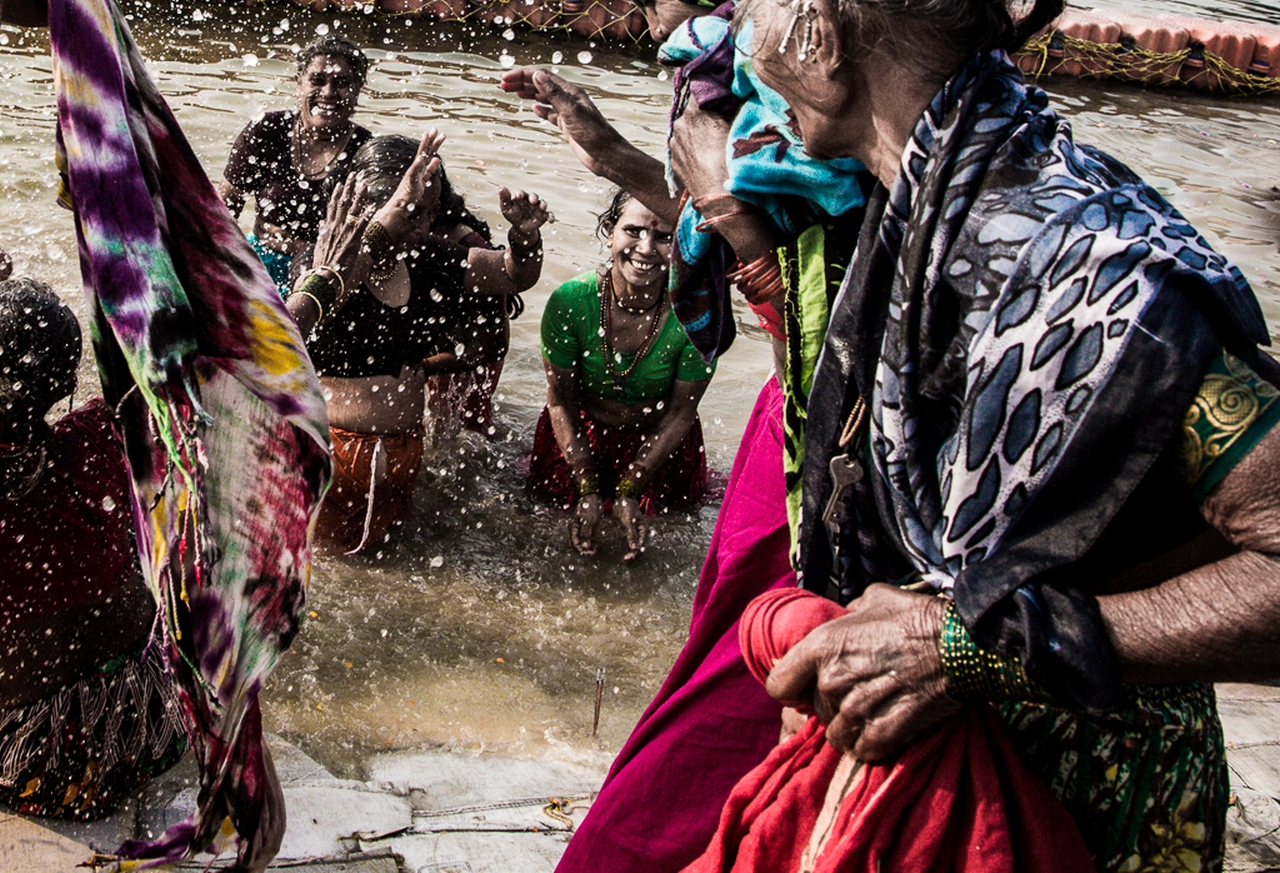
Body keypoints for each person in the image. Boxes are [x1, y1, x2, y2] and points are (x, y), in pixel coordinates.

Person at [723, 0, 1280, 869]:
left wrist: (966, 645)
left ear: (824, 38)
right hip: (949, 790)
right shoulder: (931, 199)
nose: (743, 42)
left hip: (1086, 806)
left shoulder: (1078, 263)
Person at [288, 131, 549, 553]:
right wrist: (375, 236)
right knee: (325, 565)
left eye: (429, 213)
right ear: (369, 209)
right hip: (331, 453)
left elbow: (511, 275)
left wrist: (524, 238)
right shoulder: (326, 262)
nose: (423, 226)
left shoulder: (426, 254)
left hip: (402, 453)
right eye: (409, 214)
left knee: (392, 566)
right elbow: (284, 336)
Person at [0, 278, 187, 821]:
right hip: (145, 726)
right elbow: (208, 359)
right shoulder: (102, 436)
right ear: (59, 382)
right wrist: (324, 283)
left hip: (25, 760)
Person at [527, 189, 714, 561]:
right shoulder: (570, 301)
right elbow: (560, 399)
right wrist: (585, 481)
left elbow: (680, 412)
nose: (645, 248)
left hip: (662, 443)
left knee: (668, 540)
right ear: (609, 232)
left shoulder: (696, 314)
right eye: (633, 231)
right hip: (579, 433)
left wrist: (632, 487)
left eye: (663, 238)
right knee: (546, 533)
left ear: (682, 245)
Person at [217, 35, 373, 295]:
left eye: (342, 83)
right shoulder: (267, 130)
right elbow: (223, 211)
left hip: (326, 276)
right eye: (317, 80)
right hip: (262, 264)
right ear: (298, 84)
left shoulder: (366, 151)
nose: (328, 93)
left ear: (357, 91)